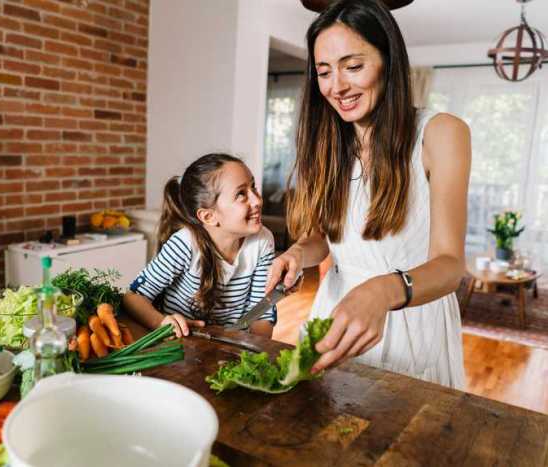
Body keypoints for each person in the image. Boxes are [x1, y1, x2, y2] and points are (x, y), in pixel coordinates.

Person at [265, 0, 471, 389]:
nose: (337, 86)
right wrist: (296, 254)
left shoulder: (441, 133)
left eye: (353, 67)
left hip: (412, 318)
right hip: (335, 311)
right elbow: (323, 240)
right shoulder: (326, 144)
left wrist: (383, 291)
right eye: (324, 72)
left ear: (388, 62)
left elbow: (450, 265)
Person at [124, 153, 277, 338]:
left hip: (234, 347)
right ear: (208, 216)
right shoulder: (185, 244)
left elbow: (261, 312)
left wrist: (255, 353)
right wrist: (161, 322)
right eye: (241, 194)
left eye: (253, 187)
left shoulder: (263, 241)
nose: (257, 200)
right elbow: (133, 297)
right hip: (182, 345)